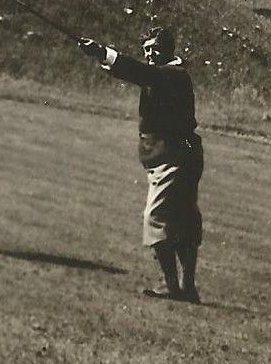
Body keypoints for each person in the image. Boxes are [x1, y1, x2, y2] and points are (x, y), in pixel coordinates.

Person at [79, 23, 205, 301]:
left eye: (154, 49)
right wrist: (101, 56)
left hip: (173, 157)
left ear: (168, 50)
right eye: (146, 49)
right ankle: (187, 288)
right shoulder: (164, 74)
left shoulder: (172, 74)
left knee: (157, 217)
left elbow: (140, 72)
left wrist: (102, 52)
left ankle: (173, 285)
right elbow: (140, 73)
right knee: (183, 220)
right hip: (178, 155)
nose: (149, 53)